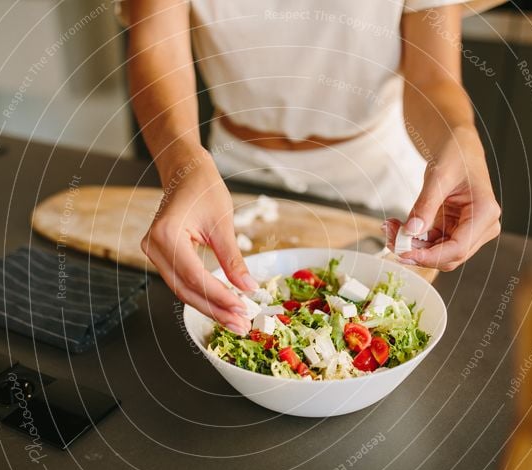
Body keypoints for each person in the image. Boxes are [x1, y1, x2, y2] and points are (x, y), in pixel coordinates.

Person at [122, 1, 503, 335]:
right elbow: (156, 43)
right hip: (227, 171)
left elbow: (432, 77)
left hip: (376, 174)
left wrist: (461, 137)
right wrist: (182, 164)